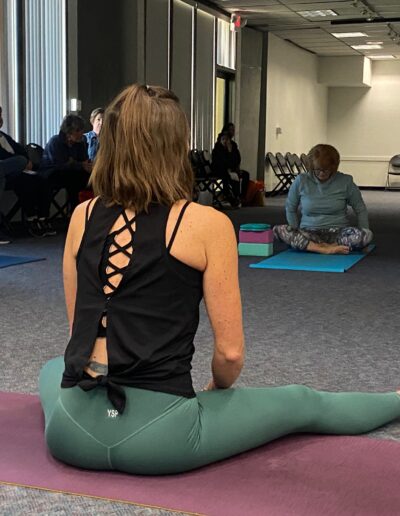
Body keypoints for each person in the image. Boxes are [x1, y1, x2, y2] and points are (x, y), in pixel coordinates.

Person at [39, 85, 400, 476]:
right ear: (176, 147)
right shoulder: (206, 224)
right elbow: (229, 356)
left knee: (52, 367)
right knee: (302, 401)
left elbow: (78, 330)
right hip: (160, 439)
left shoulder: (83, 215)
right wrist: (218, 393)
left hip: (71, 434)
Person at [273, 144, 373, 255]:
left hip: (338, 233)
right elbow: (290, 208)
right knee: (279, 230)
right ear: (312, 167)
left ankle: (329, 246)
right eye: (317, 169)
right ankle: (322, 248)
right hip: (309, 233)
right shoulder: (301, 180)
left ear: (333, 167)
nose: (321, 173)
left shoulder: (346, 181)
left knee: (366, 234)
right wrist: (297, 232)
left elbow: (360, 209)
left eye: (326, 170)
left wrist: (364, 236)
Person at [0, 106, 55, 240]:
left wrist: (26, 160)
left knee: (42, 179)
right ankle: (31, 219)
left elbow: (20, 149)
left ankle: (42, 218)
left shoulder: (4, 136)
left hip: (19, 171)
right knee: (24, 178)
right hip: (6, 173)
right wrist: (22, 161)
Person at [39, 115, 92, 212]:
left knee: (91, 178)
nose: (81, 133)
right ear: (68, 132)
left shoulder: (80, 142)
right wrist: (79, 164)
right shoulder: (55, 142)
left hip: (72, 173)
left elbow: (84, 160)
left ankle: (90, 210)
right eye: (78, 130)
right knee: (74, 179)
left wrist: (80, 164)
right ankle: (75, 211)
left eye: (82, 130)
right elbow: (60, 165)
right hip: (52, 174)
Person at [211, 131, 249, 207]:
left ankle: (241, 197)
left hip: (232, 169)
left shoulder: (233, 149)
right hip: (220, 170)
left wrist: (230, 152)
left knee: (245, 174)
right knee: (230, 177)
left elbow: (236, 160)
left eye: (227, 139)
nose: (225, 141)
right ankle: (231, 196)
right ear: (220, 140)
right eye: (223, 139)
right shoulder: (217, 150)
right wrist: (229, 169)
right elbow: (221, 162)